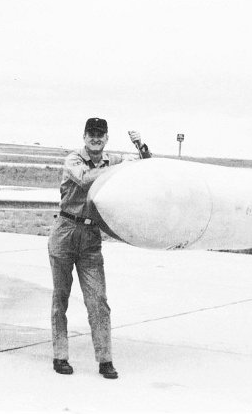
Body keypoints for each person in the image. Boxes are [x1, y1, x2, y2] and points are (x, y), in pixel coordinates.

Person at [49, 117, 151, 379]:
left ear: (106, 138)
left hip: (91, 236)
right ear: (84, 137)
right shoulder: (73, 160)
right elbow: (84, 180)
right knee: (61, 298)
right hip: (65, 231)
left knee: (98, 301)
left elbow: (146, 166)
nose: (95, 138)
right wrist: (119, 168)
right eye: (91, 134)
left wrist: (141, 146)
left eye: (100, 135)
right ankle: (60, 355)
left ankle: (105, 360)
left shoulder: (111, 160)